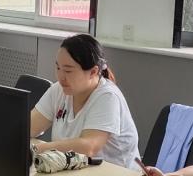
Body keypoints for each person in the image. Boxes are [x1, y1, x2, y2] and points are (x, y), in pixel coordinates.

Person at [30, 34, 139, 168]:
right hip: (76, 171)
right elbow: (29, 126)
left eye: (68, 71)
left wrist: (37, 149)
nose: (60, 77)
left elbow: (88, 147)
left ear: (93, 72)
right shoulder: (59, 90)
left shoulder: (108, 97)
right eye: (58, 68)